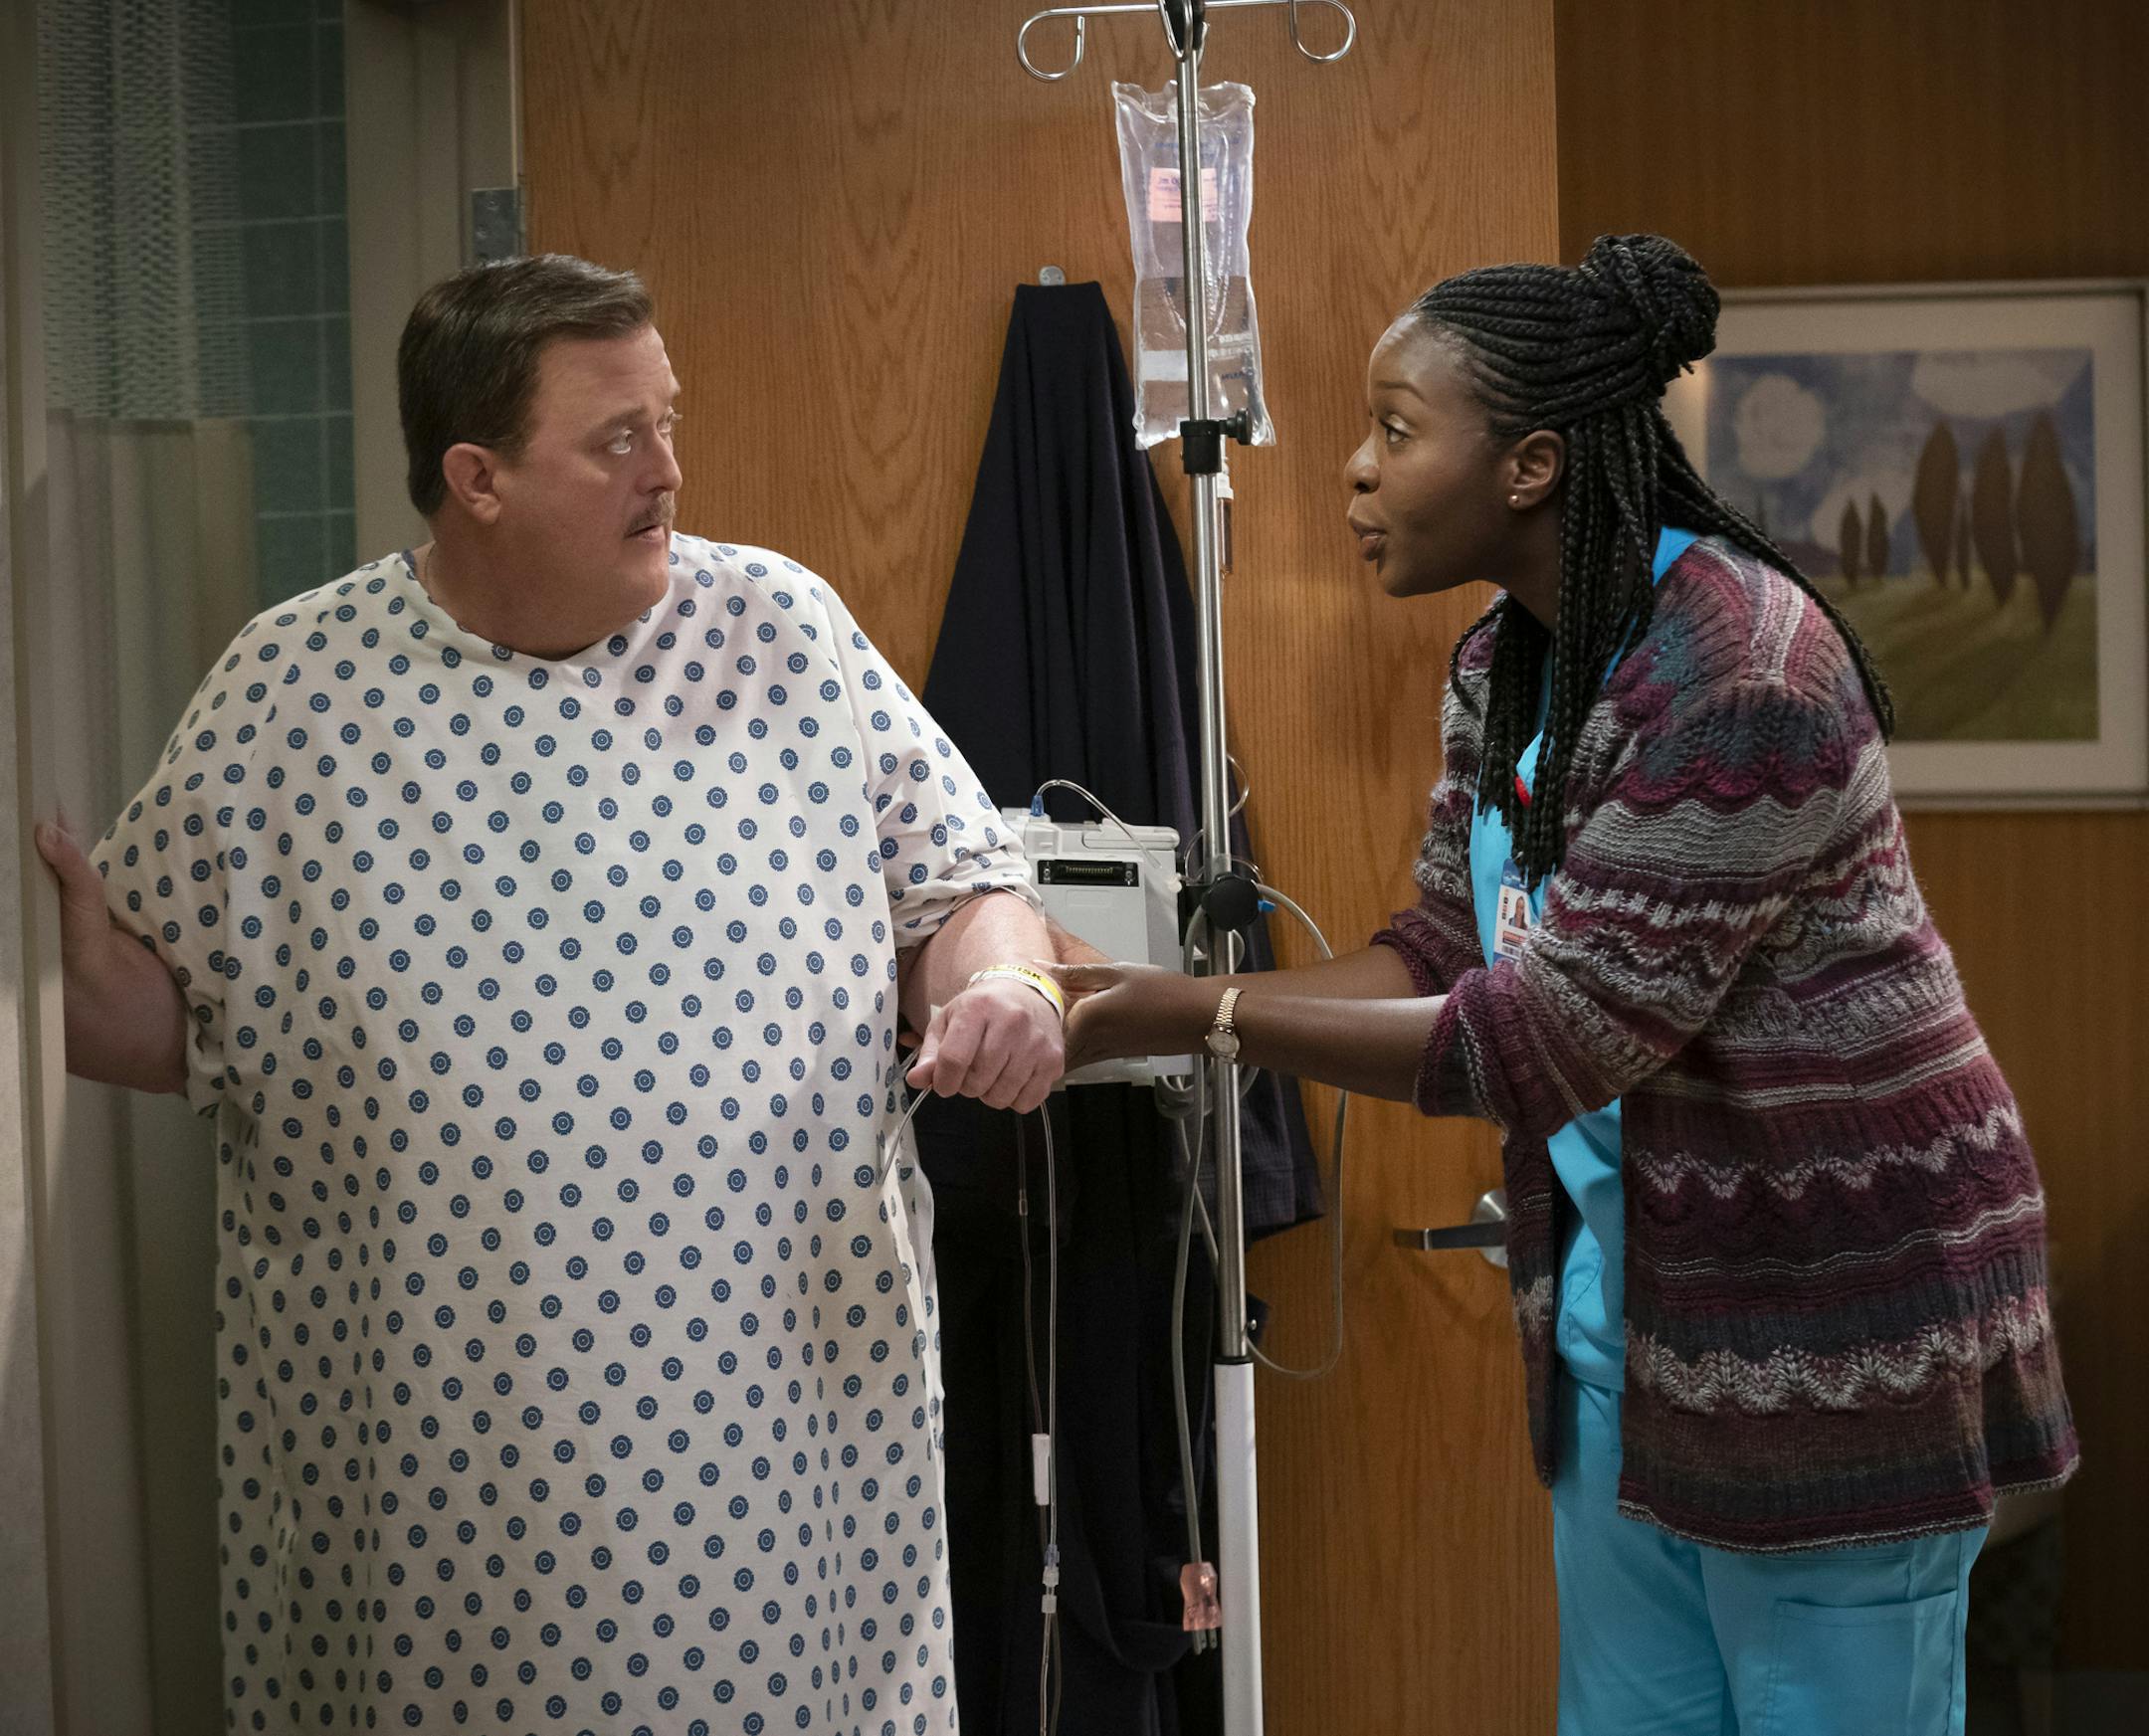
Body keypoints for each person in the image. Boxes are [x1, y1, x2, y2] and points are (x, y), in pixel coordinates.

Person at [1052, 234, 2076, 1736]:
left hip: (1836, 1328)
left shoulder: (1743, 672)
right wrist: (1136, 994)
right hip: (1633, 1343)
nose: (1351, 470)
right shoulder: (1508, 665)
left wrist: (1183, 1020)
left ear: (1530, 465)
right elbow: (1446, 954)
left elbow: (1545, 1034)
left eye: (1396, 431)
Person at [37, 253, 1066, 1735]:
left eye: (669, 419)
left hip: (777, 1446)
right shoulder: (294, 691)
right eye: (619, 438)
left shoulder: (780, 631)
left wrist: (1012, 980)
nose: (671, 470)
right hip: (433, 1462)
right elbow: (169, 1023)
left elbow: (965, 885)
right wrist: (48, 982)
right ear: (478, 477)